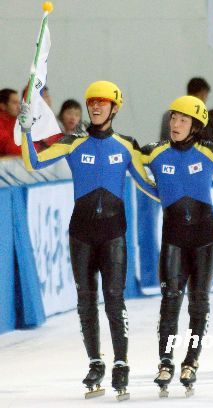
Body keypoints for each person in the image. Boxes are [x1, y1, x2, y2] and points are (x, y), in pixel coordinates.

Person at [19, 80, 158, 399]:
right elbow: (33, 162)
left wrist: (183, 196)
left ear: (115, 108)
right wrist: (26, 131)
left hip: (113, 234)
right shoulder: (73, 142)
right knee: (85, 301)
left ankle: (121, 363)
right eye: (91, 101)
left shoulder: (126, 145)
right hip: (80, 233)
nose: (95, 107)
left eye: (102, 102)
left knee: (113, 300)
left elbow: (147, 185)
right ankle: (96, 363)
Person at [141, 95, 213, 397]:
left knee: (198, 302)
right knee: (170, 301)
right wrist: (157, 192)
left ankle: (191, 361)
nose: (175, 124)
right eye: (173, 118)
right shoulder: (155, 152)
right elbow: (128, 163)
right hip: (173, 236)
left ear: (196, 126)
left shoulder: (209, 151)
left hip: (204, 237)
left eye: (183, 120)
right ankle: (166, 361)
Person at [159, 77, 210, 142]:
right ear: (201, 95)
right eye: (205, 97)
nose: (205, 101)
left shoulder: (169, 114)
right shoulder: (201, 119)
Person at [0, 88, 22, 156]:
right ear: (3, 106)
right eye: (14, 103)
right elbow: (8, 147)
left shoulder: (19, 121)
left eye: (19, 103)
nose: (19, 107)